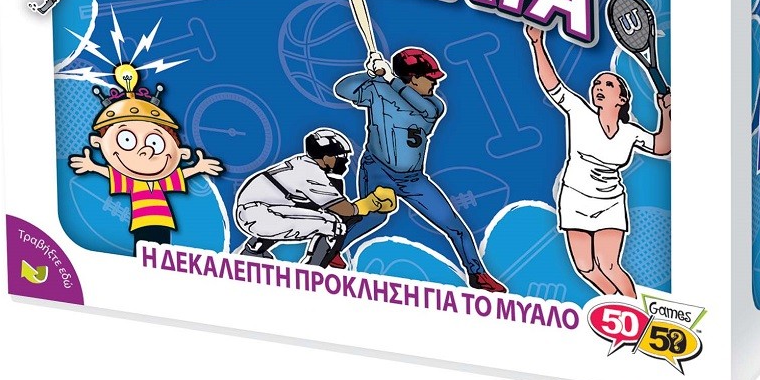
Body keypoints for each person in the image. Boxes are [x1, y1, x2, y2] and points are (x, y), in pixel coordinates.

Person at [333, 47, 507, 291]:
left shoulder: (433, 104)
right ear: (413, 78)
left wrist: (390, 79)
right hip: (377, 170)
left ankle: (477, 274)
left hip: (412, 179)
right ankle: (332, 250)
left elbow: (425, 109)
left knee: (453, 225)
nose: (435, 83)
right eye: (429, 78)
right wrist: (370, 72)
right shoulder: (379, 89)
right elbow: (341, 89)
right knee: (374, 216)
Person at [525, 24, 671, 297]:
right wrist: (537, 43)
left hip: (610, 202)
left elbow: (663, 146)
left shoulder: (630, 132)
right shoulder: (579, 112)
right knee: (585, 267)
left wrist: (666, 113)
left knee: (610, 265)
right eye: (597, 85)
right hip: (575, 198)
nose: (599, 87)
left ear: (622, 98)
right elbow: (552, 83)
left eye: (608, 84)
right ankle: (617, 303)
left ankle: (637, 312)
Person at [68, 62, 224, 253]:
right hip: (141, 223)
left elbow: (181, 175)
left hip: (164, 222)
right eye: (127, 140)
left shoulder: (163, 180)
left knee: (161, 252)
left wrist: (198, 168)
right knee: (144, 253)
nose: (146, 151)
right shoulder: (133, 182)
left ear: (180, 152)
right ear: (97, 143)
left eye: (155, 142)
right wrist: (92, 166)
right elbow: (112, 175)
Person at [233, 129, 397, 266]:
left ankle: (253, 251)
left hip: (259, 211)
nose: (345, 161)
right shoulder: (311, 173)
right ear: (326, 158)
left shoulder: (302, 163)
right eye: (341, 156)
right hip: (260, 216)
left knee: (324, 204)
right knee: (334, 225)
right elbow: (346, 210)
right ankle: (314, 269)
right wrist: (372, 203)